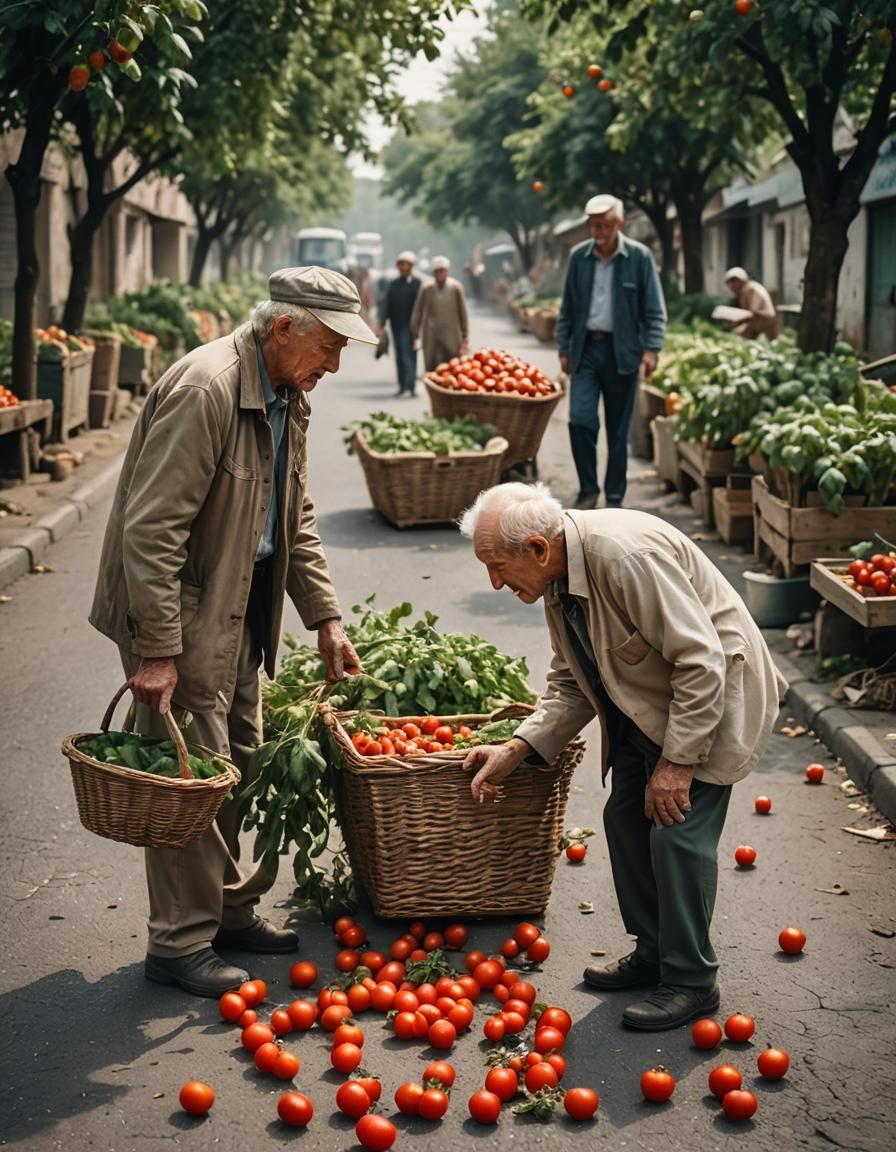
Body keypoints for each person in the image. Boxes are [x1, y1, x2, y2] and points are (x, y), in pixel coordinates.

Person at [89, 267, 375, 997]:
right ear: (285, 329)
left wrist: (326, 617)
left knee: (237, 762)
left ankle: (228, 912)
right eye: (330, 347)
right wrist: (157, 649)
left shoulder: (286, 392)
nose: (335, 366)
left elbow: (293, 518)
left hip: (240, 604)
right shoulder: (206, 389)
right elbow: (149, 532)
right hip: (180, 614)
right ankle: (179, 944)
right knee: (192, 777)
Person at [458, 483, 786, 1031]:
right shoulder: (559, 579)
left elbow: (701, 662)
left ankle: (690, 980)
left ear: (538, 549)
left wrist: (678, 763)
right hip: (645, 703)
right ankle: (654, 952)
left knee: (675, 833)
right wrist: (517, 747)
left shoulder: (625, 558)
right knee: (624, 818)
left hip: (709, 703)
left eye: (498, 566)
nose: (494, 582)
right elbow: (570, 679)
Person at [557, 194, 666, 512]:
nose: (598, 230)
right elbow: (568, 308)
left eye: (604, 224)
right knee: (580, 420)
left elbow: (654, 310)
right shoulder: (579, 257)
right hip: (586, 349)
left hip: (624, 351)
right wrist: (564, 347)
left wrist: (652, 350)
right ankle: (588, 489)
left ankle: (614, 495)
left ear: (620, 224)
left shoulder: (639, 257)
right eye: (593, 225)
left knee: (618, 430)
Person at [410, 255, 470, 372]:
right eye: (437, 271)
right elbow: (418, 311)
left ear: (447, 271)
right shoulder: (427, 288)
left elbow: (463, 313)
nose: (439, 274)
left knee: (453, 368)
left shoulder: (456, 287)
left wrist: (465, 336)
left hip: (452, 336)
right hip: (431, 335)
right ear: (433, 272)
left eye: (442, 271)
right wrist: (415, 333)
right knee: (432, 369)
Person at [377, 250, 422, 397]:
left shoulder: (418, 285)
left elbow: (423, 306)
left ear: (411, 266)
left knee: (410, 355)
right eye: (401, 264)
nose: (403, 267)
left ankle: (411, 385)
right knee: (401, 356)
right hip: (398, 326)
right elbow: (385, 305)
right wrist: (381, 324)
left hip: (413, 327)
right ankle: (403, 385)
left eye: (406, 265)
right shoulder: (393, 285)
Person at [724, 267, 779, 340]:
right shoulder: (744, 291)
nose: (732, 286)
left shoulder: (751, 289)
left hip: (763, 321)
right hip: (756, 321)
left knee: (737, 335)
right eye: (730, 283)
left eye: (734, 281)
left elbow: (753, 312)